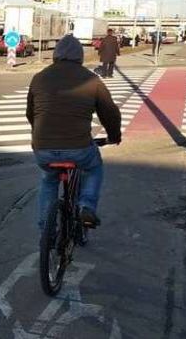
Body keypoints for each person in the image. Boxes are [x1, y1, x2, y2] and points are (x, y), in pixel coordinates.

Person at [26, 35, 122, 230]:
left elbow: (30, 113)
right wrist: (114, 136)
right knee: (94, 167)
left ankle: (45, 227)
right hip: (78, 148)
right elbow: (110, 112)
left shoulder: (39, 77)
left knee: (49, 179)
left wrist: (40, 136)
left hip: (43, 149)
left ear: (56, 54)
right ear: (80, 56)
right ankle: (86, 206)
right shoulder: (91, 79)